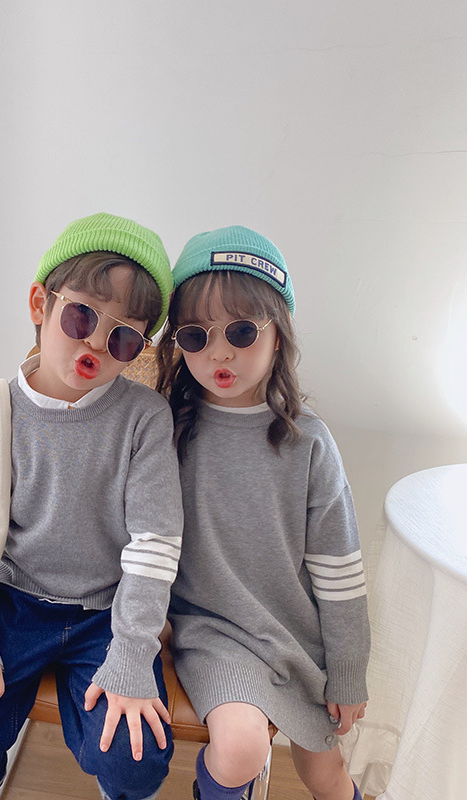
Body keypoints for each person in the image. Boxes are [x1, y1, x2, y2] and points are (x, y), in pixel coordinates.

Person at [0, 212, 184, 800]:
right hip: (13, 602)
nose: (96, 342)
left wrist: (132, 654)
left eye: (123, 338)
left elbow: (154, 543)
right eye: (82, 315)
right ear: (41, 303)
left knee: (135, 762)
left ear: (138, 349)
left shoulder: (143, 419)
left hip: (107, 612)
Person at [155, 226, 370, 800]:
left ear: (279, 334)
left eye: (242, 331)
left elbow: (338, 570)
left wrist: (348, 669)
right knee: (241, 748)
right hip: (213, 631)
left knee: (325, 774)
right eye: (195, 335)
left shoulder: (308, 442)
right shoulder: (165, 431)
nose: (219, 353)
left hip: (297, 633)